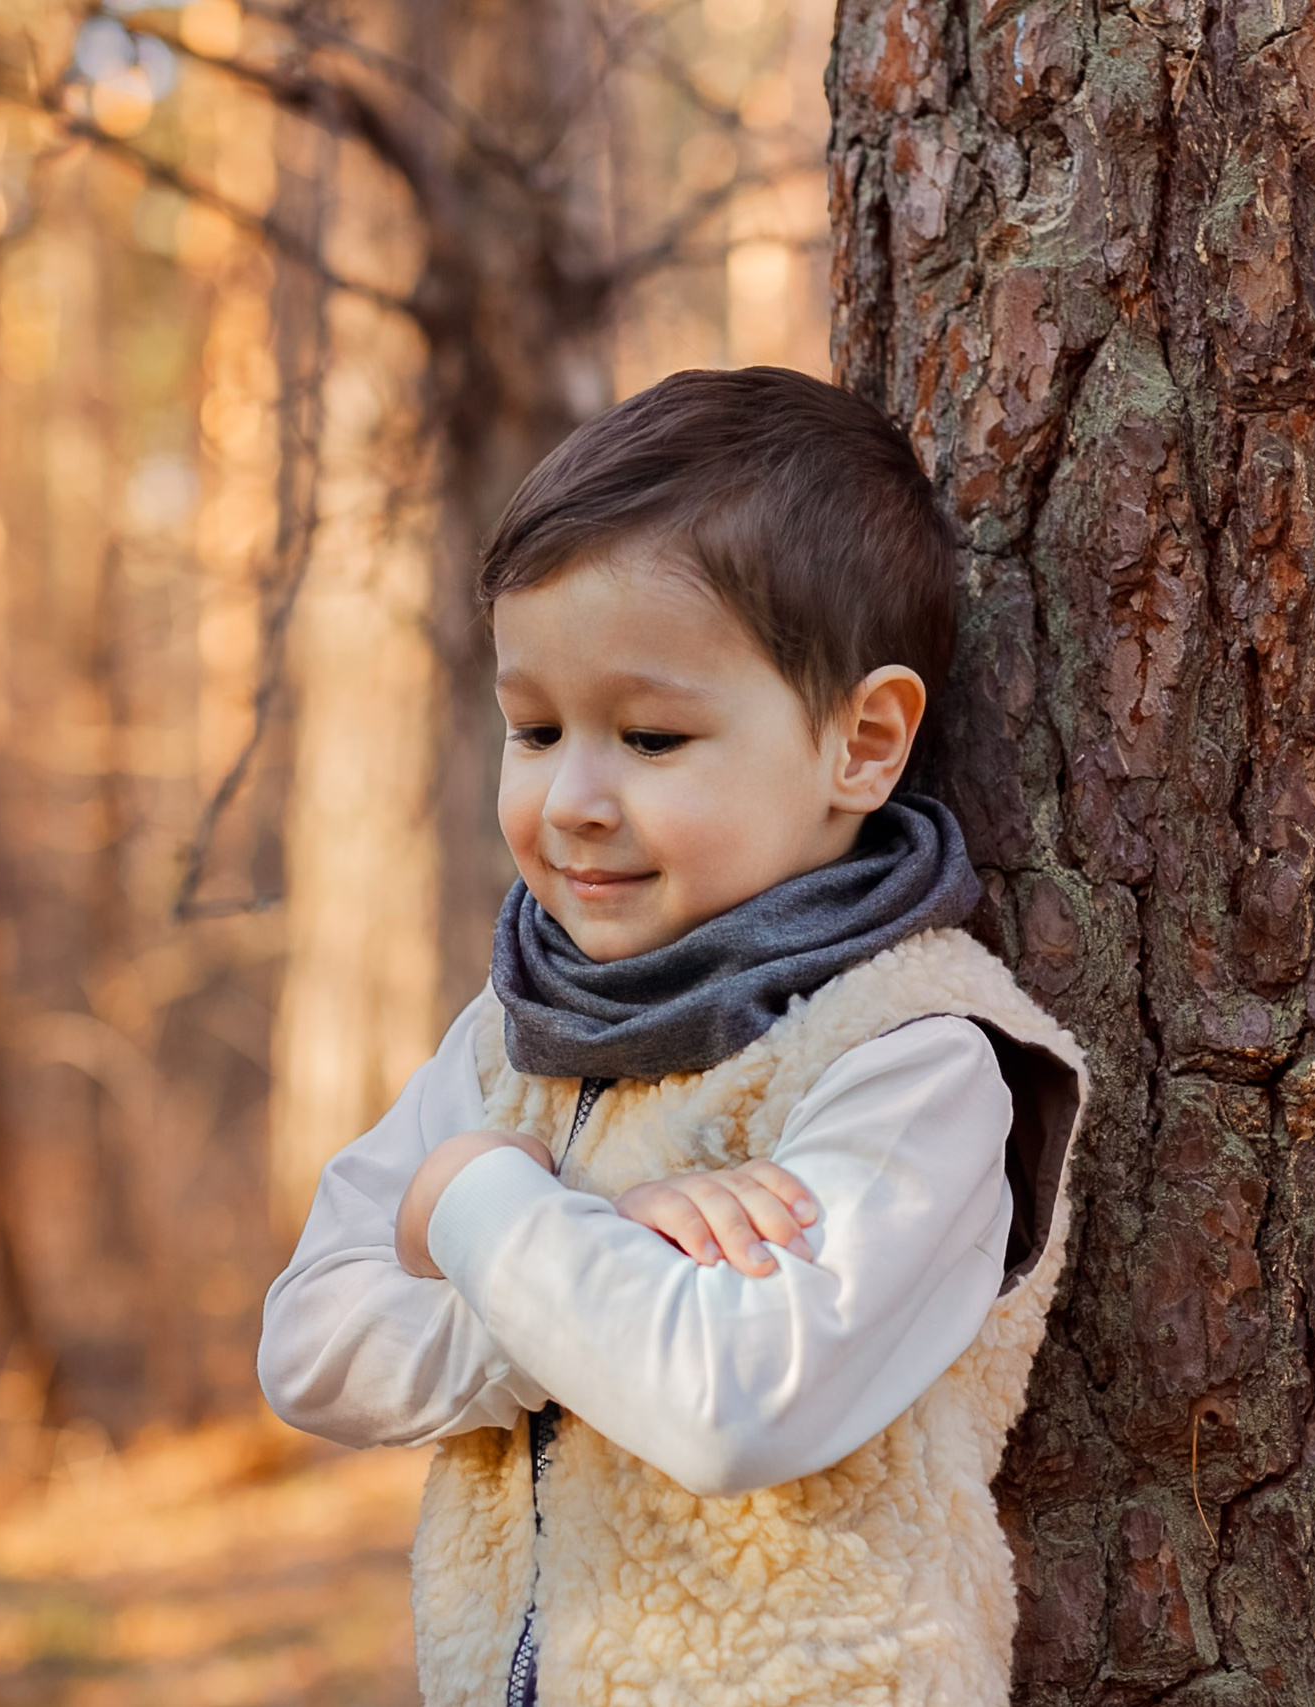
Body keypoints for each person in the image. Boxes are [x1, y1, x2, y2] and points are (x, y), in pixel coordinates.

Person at [257, 366, 1086, 1707]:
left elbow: (730, 1399)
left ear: (862, 743)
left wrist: (472, 1201)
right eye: (535, 728)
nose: (574, 798)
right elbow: (309, 1341)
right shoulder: (514, 1035)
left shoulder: (916, 1054)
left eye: (650, 736)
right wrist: (573, 1261)